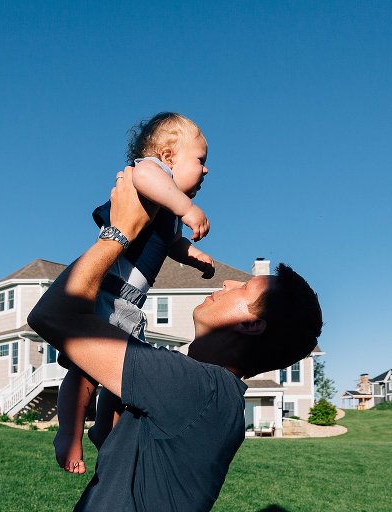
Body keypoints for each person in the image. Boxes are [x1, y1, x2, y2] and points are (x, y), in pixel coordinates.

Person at [27, 167, 323, 512]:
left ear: (251, 324)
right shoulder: (210, 397)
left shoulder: (198, 388)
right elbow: (109, 442)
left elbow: (51, 317)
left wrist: (118, 233)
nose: (228, 283)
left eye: (244, 288)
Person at [54, 112, 216, 474]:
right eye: (200, 159)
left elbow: (171, 244)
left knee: (121, 378)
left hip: (130, 304)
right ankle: (68, 434)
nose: (206, 170)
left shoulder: (168, 208)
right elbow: (142, 174)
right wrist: (187, 207)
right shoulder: (153, 174)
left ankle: (103, 430)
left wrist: (193, 255)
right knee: (84, 371)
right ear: (168, 156)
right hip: (108, 294)